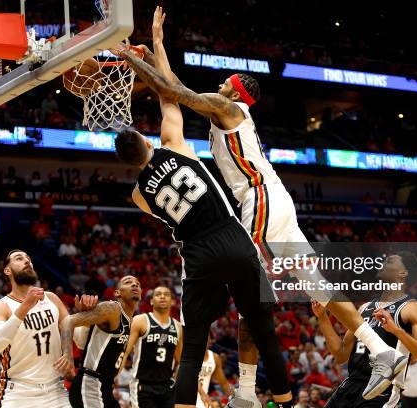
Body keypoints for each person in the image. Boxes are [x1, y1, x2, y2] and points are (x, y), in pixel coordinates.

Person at [118, 6, 407, 405]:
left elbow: (176, 94)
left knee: (248, 288)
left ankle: (248, 392)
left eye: (224, 82)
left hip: (260, 200)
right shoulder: (228, 109)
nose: (219, 83)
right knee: (313, 287)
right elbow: (174, 89)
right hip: (274, 198)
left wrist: (136, 60)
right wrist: (157, 47)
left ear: (235, 91)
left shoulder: (230, 109)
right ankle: (380, 350)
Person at [114, 7, 293, 408]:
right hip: (232, 236)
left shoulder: (139, 196)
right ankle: (285, 403)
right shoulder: (173, 142)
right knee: (264, 330)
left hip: (195, 253)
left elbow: (171, 92)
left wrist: (144, 56)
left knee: (193, 345)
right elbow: (169, 93)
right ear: (147, 141)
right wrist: (149, 50)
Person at [312, 253, 417, 408]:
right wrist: (322, 318)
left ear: (402, 273)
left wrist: (396, 330)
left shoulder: (412, 309)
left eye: (389, 261)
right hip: (350, 384)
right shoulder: (365, 308)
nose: (383, 262)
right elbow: (341, 354)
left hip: (382, 389)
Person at [0, 249, 97, 408]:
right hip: (18, 393)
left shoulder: (51, 298)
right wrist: (25, 306)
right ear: (7, 270)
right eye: (19, 258)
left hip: (55, 391)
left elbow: (80, 341)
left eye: (29, 259)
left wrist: (85, 319)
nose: (27, 261)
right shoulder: (0, 307)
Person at [53, 275, 142, 408]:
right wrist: (68, 355)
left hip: (106, 387)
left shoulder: (130, 322)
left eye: (138, 284)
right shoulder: (112, 309)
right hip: (90, 384)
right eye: (128, 282)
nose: (134, 285)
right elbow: (68, 321)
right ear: (117, 293)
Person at [124, 286, 183, 408]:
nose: (162, 296)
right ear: (151, 301)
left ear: (172, 301)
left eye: (166, 294)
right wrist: (112, 376)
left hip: (167, 386)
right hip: (143, 385)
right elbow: (124, 352)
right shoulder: (140, 321)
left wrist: (176, 382)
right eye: (158, 294)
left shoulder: (178, 327)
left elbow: (180, 360)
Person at [196, 334, 233, 408]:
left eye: (207, 338)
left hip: (203, 401)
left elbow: (224, 384)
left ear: (210, 341)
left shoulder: (214, 358)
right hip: (186, 399)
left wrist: (235, 398)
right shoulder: (188, 355)